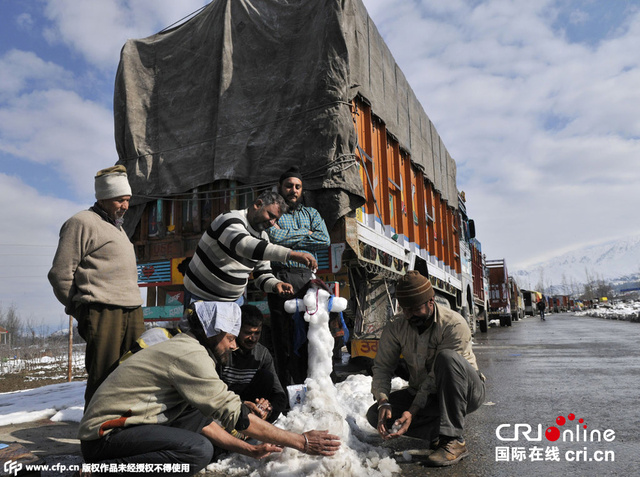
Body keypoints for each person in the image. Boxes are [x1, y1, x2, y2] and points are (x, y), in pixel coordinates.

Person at [78, 301, 340, 475]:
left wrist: (249, 450)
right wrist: (300, 441)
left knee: (199, 429)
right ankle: (104, 471)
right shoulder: (190, 355)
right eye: (230, 338)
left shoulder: (189, 348)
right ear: (213, 332)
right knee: (197, 451)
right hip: (105, 438)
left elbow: (200, 419)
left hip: (119, 432)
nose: (234, 346)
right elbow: (235, 416)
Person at [367, 271, 485, 467]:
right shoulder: (396, 326)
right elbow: (382, 366)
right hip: (425, 394)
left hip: (466, 393)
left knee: (447, 359)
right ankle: (438, 434)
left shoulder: (453, 324)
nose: (408, 315)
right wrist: (383, 401)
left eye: (414, 309)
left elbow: (433, 379)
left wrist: (412, 410)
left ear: (431, 301)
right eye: (404, 309)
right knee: (374, 415)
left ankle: (454, 441)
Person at [48, 165, 144, 406]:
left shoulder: (118, 228)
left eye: (128, 200)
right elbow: (60, 274)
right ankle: (95, 438)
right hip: (103, 310)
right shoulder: (81, 222)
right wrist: (80, 309)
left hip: (132, 309)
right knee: (103, 377)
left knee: (135, 372)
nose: (125, 206)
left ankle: (124, 433)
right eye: (120, 200)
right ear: (103, 197)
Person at [183, 191, 317, 307]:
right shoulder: (230, 219)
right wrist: (292, 254)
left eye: (276, 219)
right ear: (258, 204)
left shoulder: (263, 238)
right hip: (200, 297)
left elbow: (262, 275)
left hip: (234, 302)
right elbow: (244, 246)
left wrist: (276, 285)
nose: (272, 223)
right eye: (270, 215)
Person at [267, 167, 330, 387]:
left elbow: (324, 240)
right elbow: (273, 237)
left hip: (307, 280)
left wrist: (289, 240)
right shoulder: (273, 211)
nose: (293, 190)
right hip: (280, 278)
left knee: (310, 338)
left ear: (301, 190)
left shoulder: (311, 214)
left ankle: (309, 388)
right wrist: (306, 235)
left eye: (297, 186)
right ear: (280, 188)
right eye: (289, 186)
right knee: (283, 340)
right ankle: (285, 393)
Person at [219, 304, 287, 424]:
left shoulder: (262, 354)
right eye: (248, 333)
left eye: (257, 333)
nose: (253, 338)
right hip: (225, 406)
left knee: (266, 376)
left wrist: (269, 409)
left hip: (253, 410)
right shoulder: (223, 350)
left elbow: (279, 394)